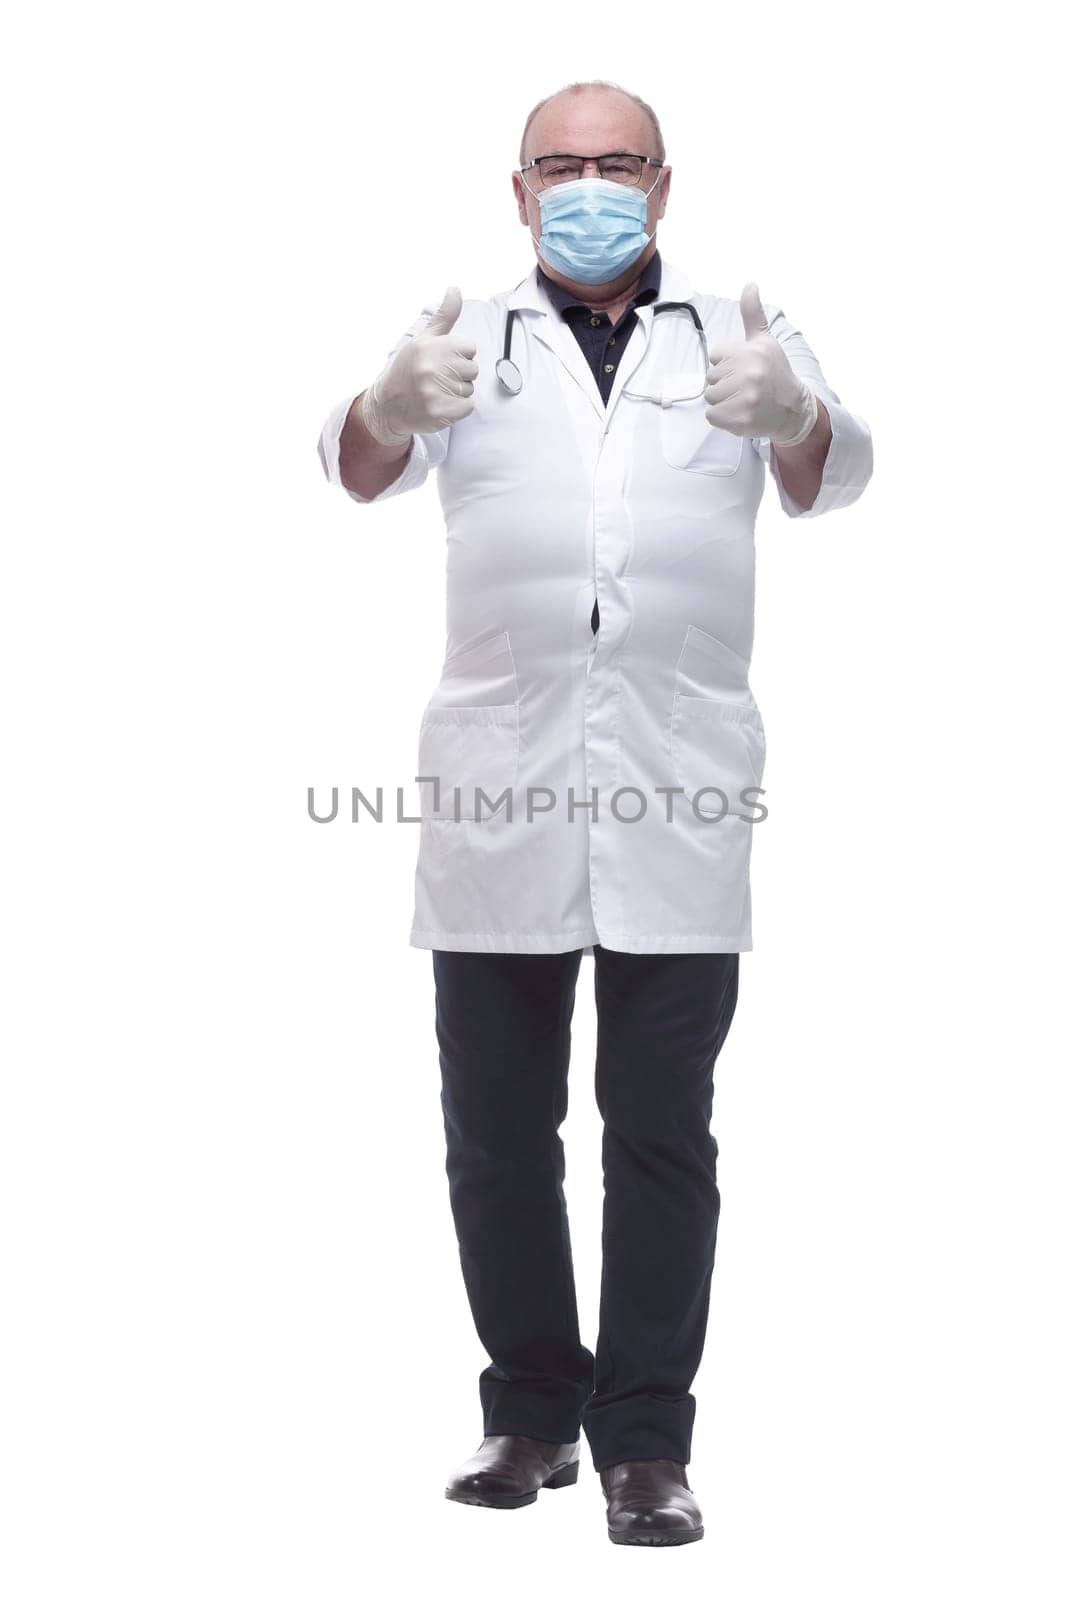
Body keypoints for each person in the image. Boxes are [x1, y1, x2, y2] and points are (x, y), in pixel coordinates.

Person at [316, 78, 873, 1547]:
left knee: (660, 1131)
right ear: (516, 191)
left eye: (617, 161)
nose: (589, 184)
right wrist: (382, 406)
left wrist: (798, 411)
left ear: (665, 184)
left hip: (679, 784)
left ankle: (643, 1445)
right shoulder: (464, 340)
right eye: (560, 165)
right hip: (498, 787)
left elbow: (836, 472)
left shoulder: (738, 334)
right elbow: (355, 468)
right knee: (497, 1132)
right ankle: (530, 1415)